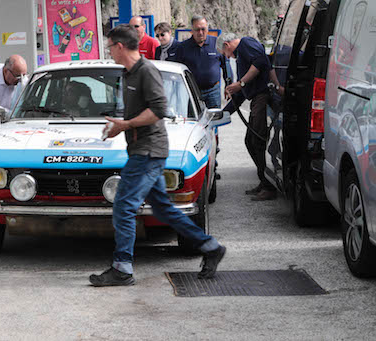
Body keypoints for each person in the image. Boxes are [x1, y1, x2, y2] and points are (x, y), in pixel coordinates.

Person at [89, 24, 226, 287]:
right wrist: (120, 125)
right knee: (164, 209)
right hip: (144, 148)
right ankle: (211, 247)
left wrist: (126, 125)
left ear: (120, 46)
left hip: (149, 151)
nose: (110, 53)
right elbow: (140, 113)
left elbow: (160, 109)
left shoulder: (146, 71)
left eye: (110, 48)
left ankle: (122, 268)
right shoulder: (128, 74)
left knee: (124, 206)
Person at [216, 31, 277, 201]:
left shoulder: (246, 44)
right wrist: (224, 113)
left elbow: (262, 62)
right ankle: (264, 180)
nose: (228, 57)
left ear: (226, 45)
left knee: (257, 140)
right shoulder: (243, 54)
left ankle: (268, 186)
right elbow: (241, 93)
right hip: (255, 98)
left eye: (225, 54)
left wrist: (240, 83)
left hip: (261, 97)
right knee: (250, 141)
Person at [177, 15, 232, 110]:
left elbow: (226, 66)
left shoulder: (217, 43)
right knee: (195, 123)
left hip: (213, 92)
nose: (201, 32)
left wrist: (229, 86)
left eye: (203, 29)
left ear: (207, 28)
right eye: (197, 29)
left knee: (214, 120)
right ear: (191, 30)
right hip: (192, 92)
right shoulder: (183, 47)